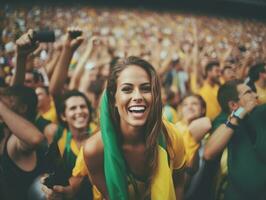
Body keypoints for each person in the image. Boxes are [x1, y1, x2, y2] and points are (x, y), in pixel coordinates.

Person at [80, 56, 186, 199]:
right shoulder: (95, 149)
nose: (138, 96)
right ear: (113, 99)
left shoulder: (171, 136)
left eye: (146, 88)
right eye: (127, 89)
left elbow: (178, 183)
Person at [204, 79, 266, 200]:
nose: (256, 95)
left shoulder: (260, 113)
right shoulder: (224, 121)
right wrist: (240, 113)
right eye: (249, 93)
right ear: (233, 105)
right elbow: (208, 153)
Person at [0, 86, 46, 200]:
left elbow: (35, 138)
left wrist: (1, 108)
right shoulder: (5, 132)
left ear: (22, 108)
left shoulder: (17, 139)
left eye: (10, 100)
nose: (4, 102)